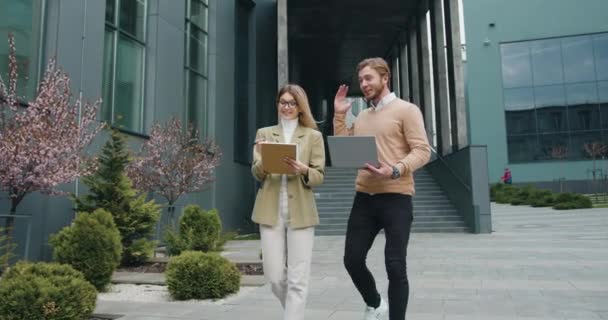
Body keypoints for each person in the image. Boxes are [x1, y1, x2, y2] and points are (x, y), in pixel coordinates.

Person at [333, 57, 431, 320]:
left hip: (397, 197)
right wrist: (340, 115)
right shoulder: (363, 116)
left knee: (395, 266)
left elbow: (422, 151)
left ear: (385, 78)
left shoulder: (406, 110)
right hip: (365, 197)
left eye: (369, 78)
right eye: (361, 80)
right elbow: (344, 149)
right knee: (352, 260)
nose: (364, 84)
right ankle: (376, 304)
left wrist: (395, 169)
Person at [251, 84, 326, 320]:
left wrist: (304, 169)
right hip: (270, 209)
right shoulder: (264, 133)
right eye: (283, 102)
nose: (287, 107)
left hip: (301, 211)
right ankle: (295, 313)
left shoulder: (313, 136)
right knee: (274, 277)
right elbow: (256, 173)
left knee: (298, 278)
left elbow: (319, 176)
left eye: (292, 103)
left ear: (300, 107)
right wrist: (264, 159)